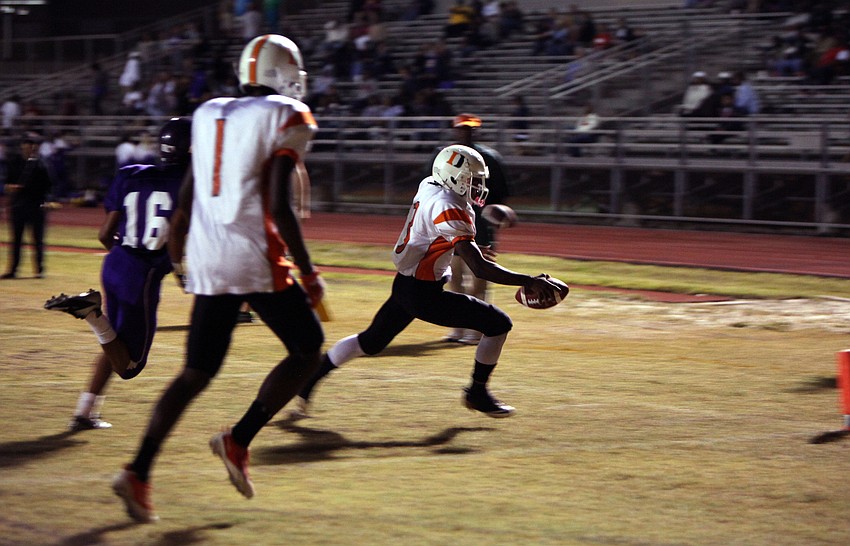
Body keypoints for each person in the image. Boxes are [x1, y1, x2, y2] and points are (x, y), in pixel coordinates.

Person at [112, 34, 325, 524]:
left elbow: (187, 194)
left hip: (209, 257)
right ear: (286, 73)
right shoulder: (289, 115)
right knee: (307, 348)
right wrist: (309, 271)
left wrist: (179, 248)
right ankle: (239, 438)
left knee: (196, 372)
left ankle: (139, 471)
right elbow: (277, 204)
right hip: (254, 255)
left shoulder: (209, 112)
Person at [289, 144, 565, 420]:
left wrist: (467, 245)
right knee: (498, 324)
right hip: (423, 293)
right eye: (471, 180)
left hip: (407, 284)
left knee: (370, 342)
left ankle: (308, 382)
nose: (477, 186)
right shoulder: (449, 207)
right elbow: (479, 269)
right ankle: (477, 393)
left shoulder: (430, 185)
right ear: (452, 177)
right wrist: (528, 280)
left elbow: (434, 236)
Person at [43, 118, 192, 431]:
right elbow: (177, 235)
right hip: (143, 274)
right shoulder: (192, 184)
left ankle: (85, 411)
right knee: (130, 365)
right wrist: (181, 273)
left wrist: (127, 253)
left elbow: (104, 234)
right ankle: (92, 314)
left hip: (115, 263)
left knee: (116, 342)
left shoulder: (132, 174)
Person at [434, 113, 511, 345]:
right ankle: (458, 326)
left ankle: (478, 329)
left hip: (480, 224)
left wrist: (495, 215)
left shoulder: (489, 158)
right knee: (454, 277)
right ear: (455, 130)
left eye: (469, 129)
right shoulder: (444, 156)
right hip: (452, 223)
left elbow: (501, 193)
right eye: (461, 129)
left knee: (479, 277)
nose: (465, 132)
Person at [2, 134, 51, 279]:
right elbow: (7, 183)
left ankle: (39, 268)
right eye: (27, 144)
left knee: (38, 239)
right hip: (19, 206)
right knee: (16, 239)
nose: (29, 147)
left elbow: (48, 186)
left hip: (36, 205)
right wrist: (11, 188)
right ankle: (13, 268)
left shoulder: (41, 164)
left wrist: (46, 201)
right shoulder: (15, 163)